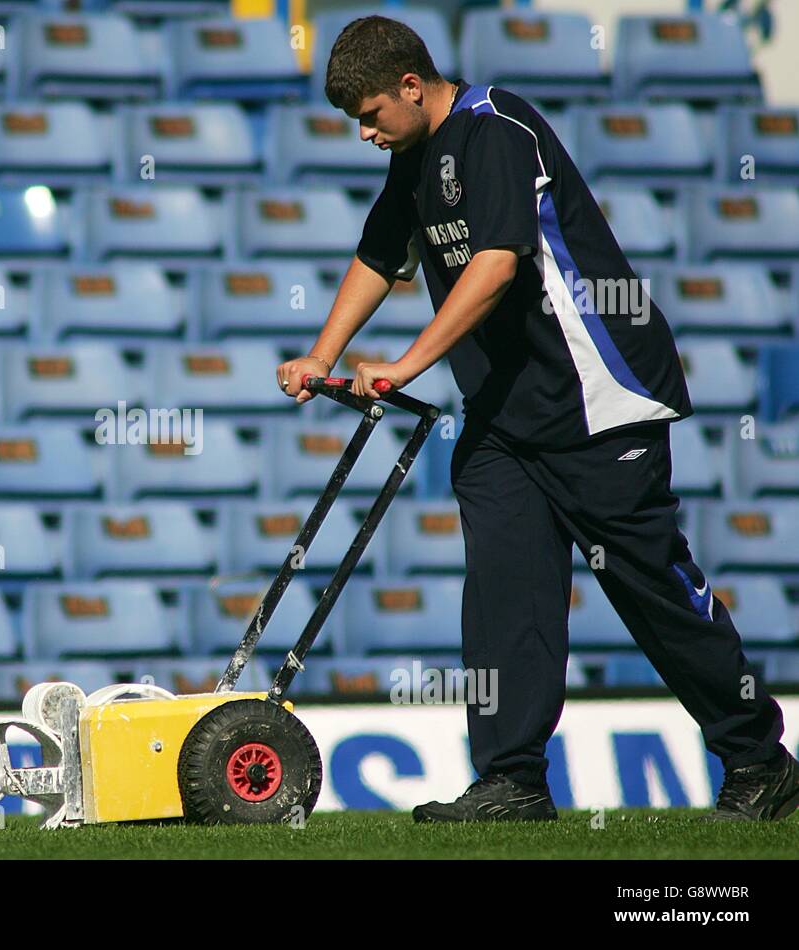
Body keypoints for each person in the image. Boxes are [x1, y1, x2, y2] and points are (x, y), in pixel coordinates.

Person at [275, 15, 797, 822]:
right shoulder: (414, 158)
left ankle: (761, 760)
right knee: (505, 592)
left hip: (596, 400)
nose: (367, 134)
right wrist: (322, 353)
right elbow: (381, 254)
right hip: (504, 417)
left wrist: (405, 364)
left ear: (412, 86)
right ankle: (512, 781)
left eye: (372, 114)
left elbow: (497, 262)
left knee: (648, 585)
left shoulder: (496, 130)